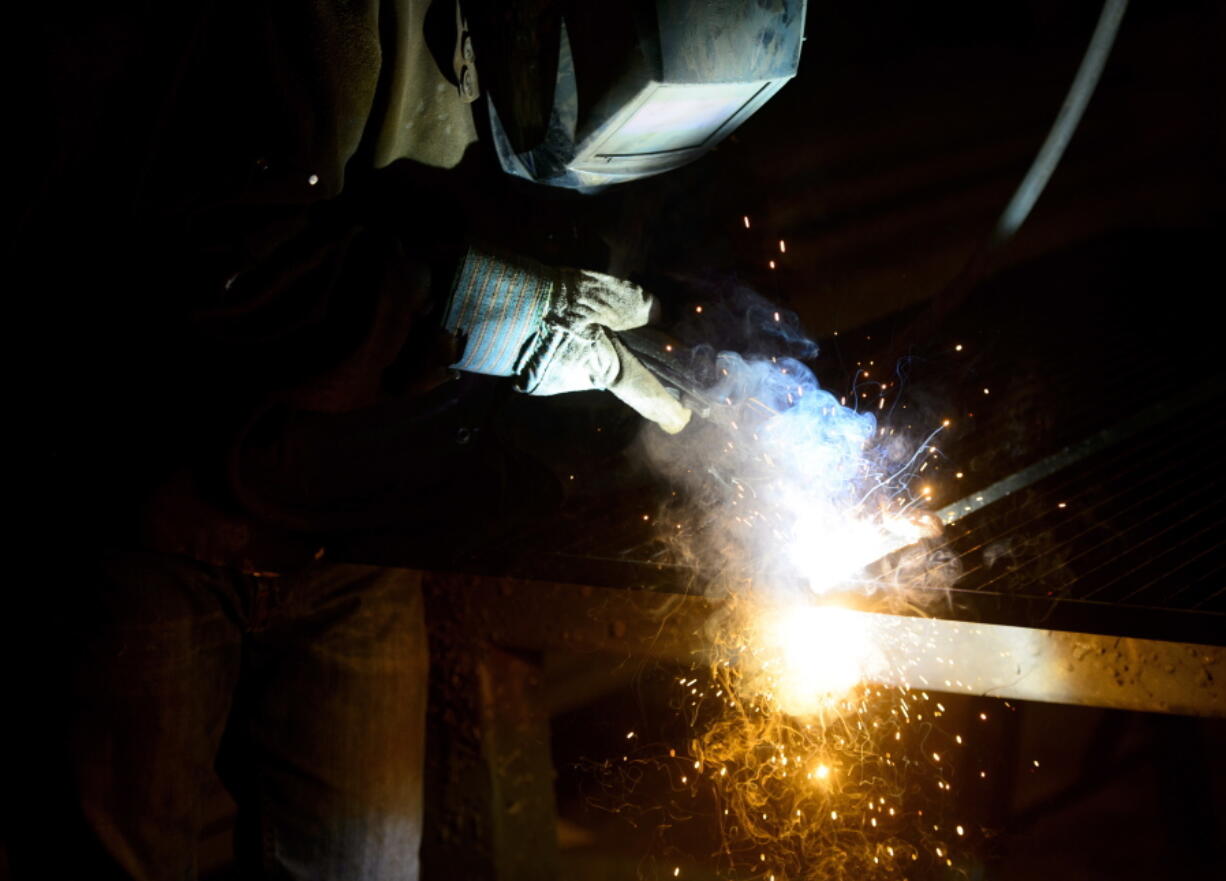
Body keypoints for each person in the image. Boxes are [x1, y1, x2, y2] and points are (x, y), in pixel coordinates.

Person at [9, 2, 805, 878]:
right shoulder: (314, 30)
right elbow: (226, 267)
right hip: (159, 512)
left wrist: (664, 303)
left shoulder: (672, 39)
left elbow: (677, 201)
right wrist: (509, 313)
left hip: (358, 540)